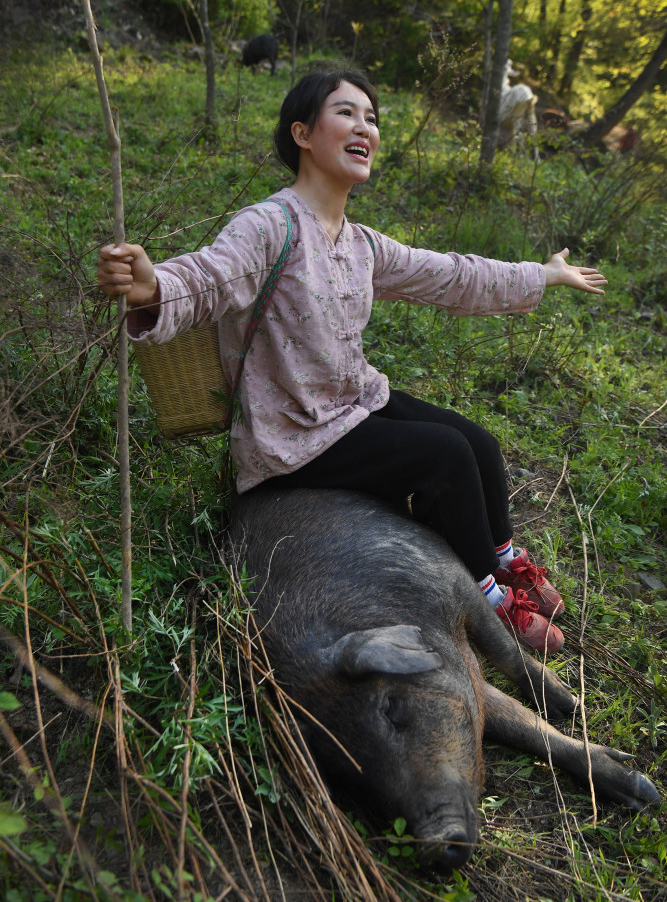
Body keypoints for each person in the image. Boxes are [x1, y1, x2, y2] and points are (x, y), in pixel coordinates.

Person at [97, 67, 607, 655]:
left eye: (371, 117)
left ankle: (506, 560)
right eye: (346, 112)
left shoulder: (360, 243)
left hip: (352, 404)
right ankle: (492, 602)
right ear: (303, 134)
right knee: (444, 456)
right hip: (295, 433)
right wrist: (153, 286)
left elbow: (450, 275)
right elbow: (212, 275)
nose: (364, 126)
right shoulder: (270, 225)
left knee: (480, 443)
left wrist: (541, 274)